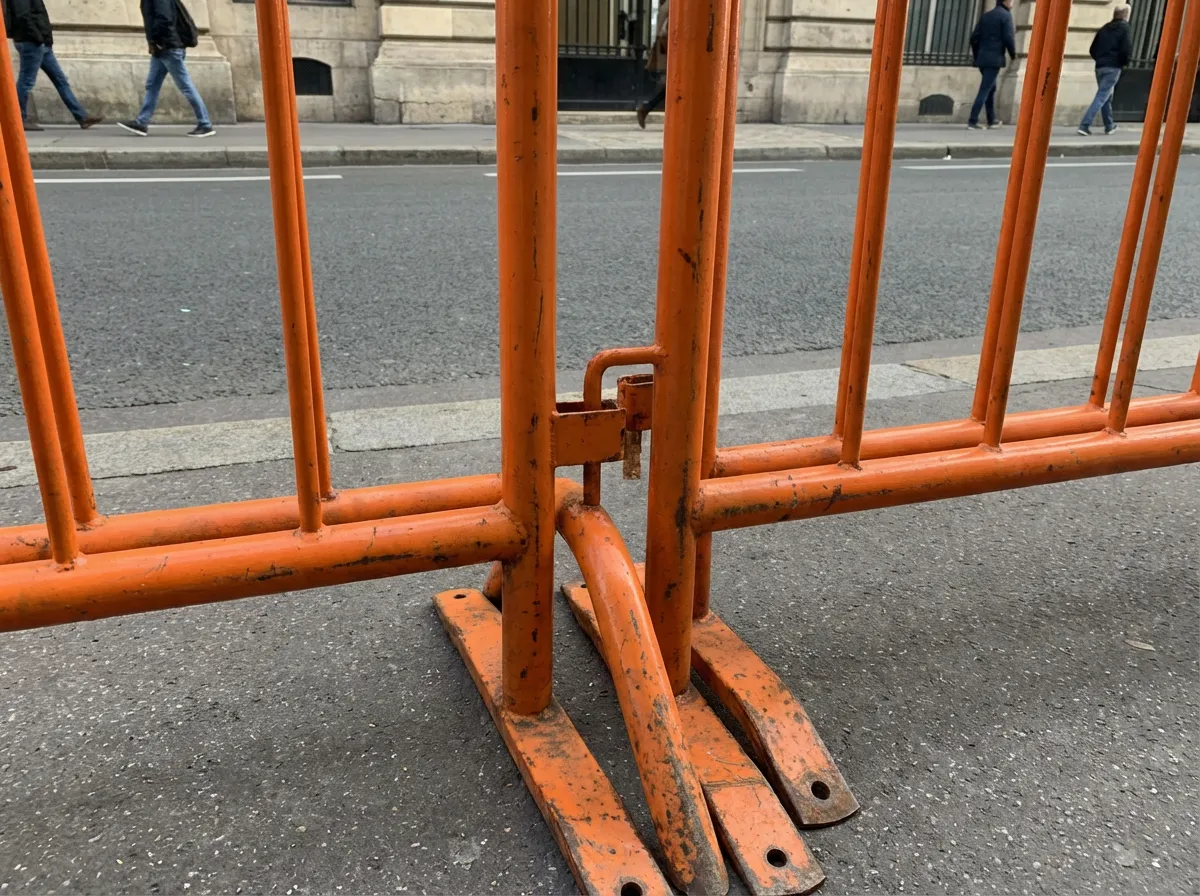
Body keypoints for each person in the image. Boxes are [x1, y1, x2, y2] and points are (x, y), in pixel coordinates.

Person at [119, 0, 215, 138]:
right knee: (152, 85)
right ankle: (142, 122)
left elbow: (164, 20)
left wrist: (160, 43)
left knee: (185, 86)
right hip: (162, 49)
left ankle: (205, 124)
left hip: (167, 48)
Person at [4, 0, 102, 132]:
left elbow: (38, 15)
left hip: (41, 44)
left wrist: (45, 40)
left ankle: (82, 116)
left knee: (61, 80)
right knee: (26, 82)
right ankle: (19, 118)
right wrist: (38, 38)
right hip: (31, 43)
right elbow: (23, 16)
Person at [1078, 4, 1134, 136]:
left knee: (1106, 96)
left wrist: (1100, 59)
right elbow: (1126, 49)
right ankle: (1084, 125)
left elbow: (1093, 49)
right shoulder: (1124, 29)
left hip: (1100, 67)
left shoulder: (1104, 28)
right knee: (1102, 95)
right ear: (1126, 15)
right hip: (1113, 67)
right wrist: (1123, 62)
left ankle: (1109, 125)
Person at [967, 0, 1017, 131]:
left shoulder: (987, 15)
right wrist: (1013, 55)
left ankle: (992, 119)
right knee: (985, 89)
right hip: (994, 59)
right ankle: (972, 121)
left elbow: (974, 37)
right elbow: (1008, 38)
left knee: (991, 88)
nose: (1012, 2)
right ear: (1004, 1)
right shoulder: (1006, 16)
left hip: (982, 59)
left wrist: (978, 54)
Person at [635, 0, 669, 129]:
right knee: (674, 86)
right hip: (670, 47)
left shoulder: (664, 6)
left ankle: (647, 108)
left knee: (671, 86)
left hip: (665, 47)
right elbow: (664, 30)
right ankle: (646, 108)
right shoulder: (672, 5)